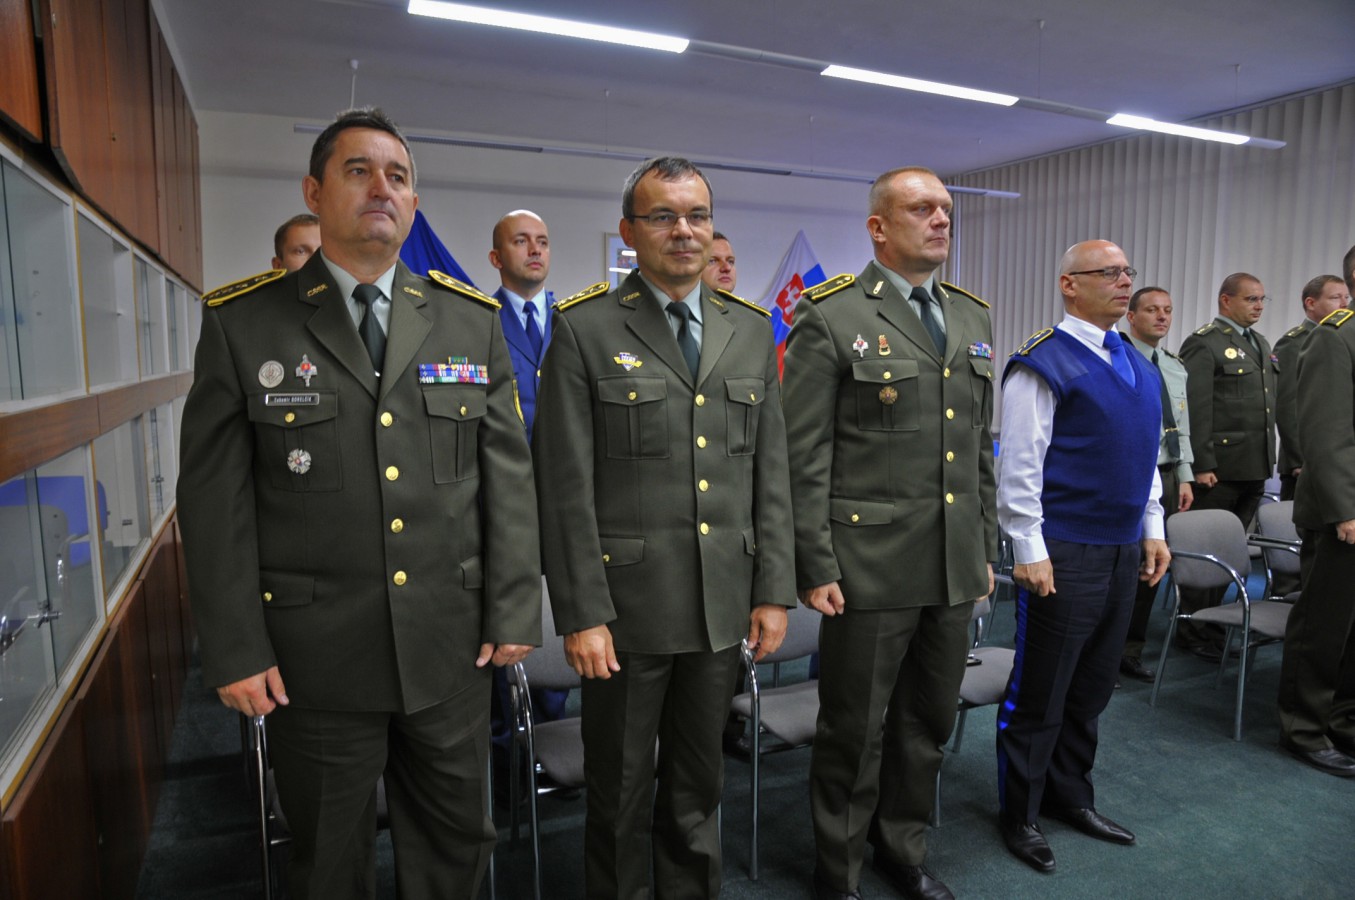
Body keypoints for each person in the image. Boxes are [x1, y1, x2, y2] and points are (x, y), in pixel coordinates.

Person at [178, 108, 541, 900]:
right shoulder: (244, 323)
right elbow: (213, 501)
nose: (382, 187)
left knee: (456, 846)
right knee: (327, 860)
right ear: (314, 192)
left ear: (413, 203)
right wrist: (234, 647)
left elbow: (507, 479)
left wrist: (515, 606)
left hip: (451, 646)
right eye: (358, 171)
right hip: (314, 658)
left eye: (397, 176)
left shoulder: (467, 319)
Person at [533, 156, 795, 899]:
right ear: (629, 232)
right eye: (663, 217)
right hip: (625, 615)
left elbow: (770, 474)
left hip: (720, 605)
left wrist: (772, 589)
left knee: (697, 787)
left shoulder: (750, 329)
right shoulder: (584, 328)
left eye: (697, 216)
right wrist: (581, 613)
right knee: (618, 792)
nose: (684, 231)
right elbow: (563, 487)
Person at [784, 166, 996, 900]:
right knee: (855, 728)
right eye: (921, 209)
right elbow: (802, 455)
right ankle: (837, 869)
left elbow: (977, 448)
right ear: (878, 226)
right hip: (867, 564)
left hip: (951, 562)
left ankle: (900, 849)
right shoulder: (832, 314)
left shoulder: (970, 316)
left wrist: (983, 547)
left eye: (946, 209)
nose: (940, 220)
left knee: (926, 722)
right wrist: (814, 561)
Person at [995, 240, 1170, 875]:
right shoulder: (1042, 361)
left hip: (1122, 547)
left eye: (1127, 273)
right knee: (1042, 690)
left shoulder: (1136, 362)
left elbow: (1145, 455)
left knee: (1093, 685)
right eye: (1108, 273)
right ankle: (1020, 812)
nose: (1124, 282)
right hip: (1062, 550)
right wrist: (1028, 546)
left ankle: (1071, 796)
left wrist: (1153, 525)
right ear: (1070, 284)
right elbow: (1020, 463)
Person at [1277, 264, 1355, 777]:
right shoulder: (1336, 335)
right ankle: (1303, 728)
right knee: (1324, 626)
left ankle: (1343, 720)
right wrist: (1345, 508)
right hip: (1341, 511)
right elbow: (1327, 432)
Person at [1177, 273, 1277, 657]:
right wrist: (1202, 463)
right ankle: (1193, 630)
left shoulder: (1259, 343)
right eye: (1251, 299)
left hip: (1253, 467)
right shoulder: (1205, 343)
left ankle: (1214, 626)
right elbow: (1195, 408)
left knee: (1229, 558)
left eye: (1262, 299)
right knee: (1208, 557)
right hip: (1218, 470)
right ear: (1226, 300)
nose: (1259, 306)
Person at [1118, 286, 1194, 682]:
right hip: (1126, 473)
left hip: (1164, 474)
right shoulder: (1117, 357)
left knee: (1151, 567)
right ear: (1131, 316)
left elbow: (1181, 425)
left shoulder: (1173, 365)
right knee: (1117, 567)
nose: (1162, 317)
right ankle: (1099, 653)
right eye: (1152, 310)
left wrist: (1185, 474)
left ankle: (1129, 651)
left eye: (1167, 310)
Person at [1273, 275, 1350, 500]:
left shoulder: (1342, 339)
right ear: (1311, 303)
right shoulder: (1295, 342)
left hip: (1335, 459)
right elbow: (1287, 406)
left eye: (1346, 297)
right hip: (1304, 463)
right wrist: (1299, 459)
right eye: (1335, 298)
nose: (1344, 304)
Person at [489, 209, 554, 442]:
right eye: (521, 241)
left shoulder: (572, 321)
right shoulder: (482, 323)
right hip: (504, 459)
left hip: (563, 461)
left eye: (542, 242)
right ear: (496, 259)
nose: (535, 250)